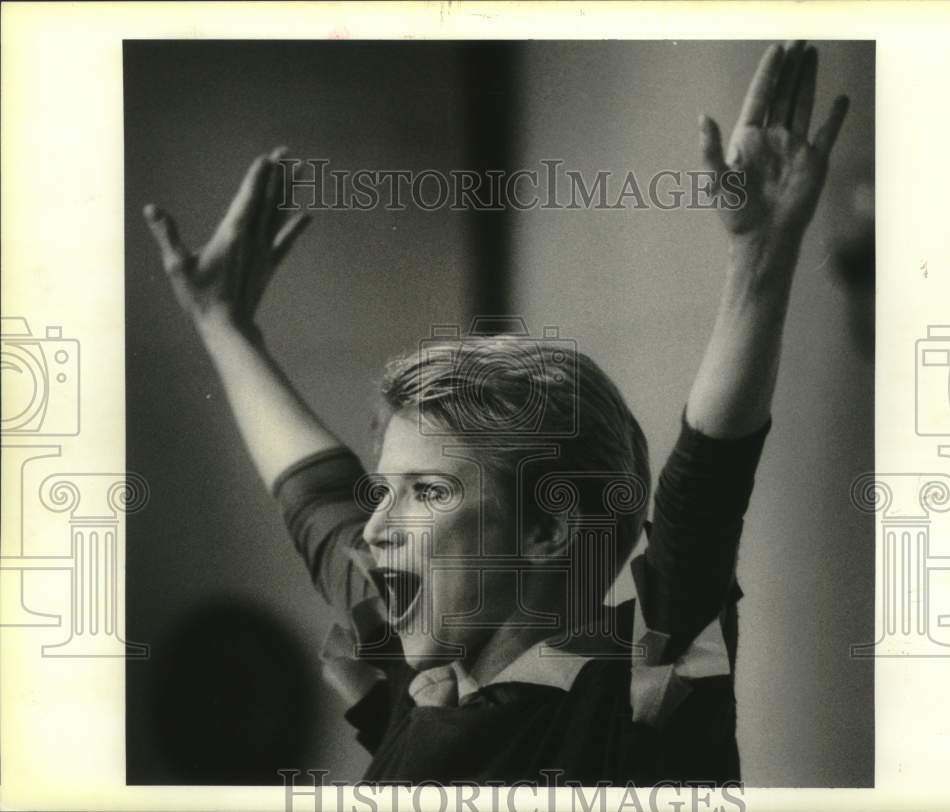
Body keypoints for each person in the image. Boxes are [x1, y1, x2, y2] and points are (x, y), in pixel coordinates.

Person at [143, 41, 848, 785]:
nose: (376, 527)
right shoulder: (429, 658)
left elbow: (702, 499)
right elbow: (314, 502)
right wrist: (224, 325)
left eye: (427, 492)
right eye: (388, 490)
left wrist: (761, 261)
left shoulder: (638, 690)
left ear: (545, 527)